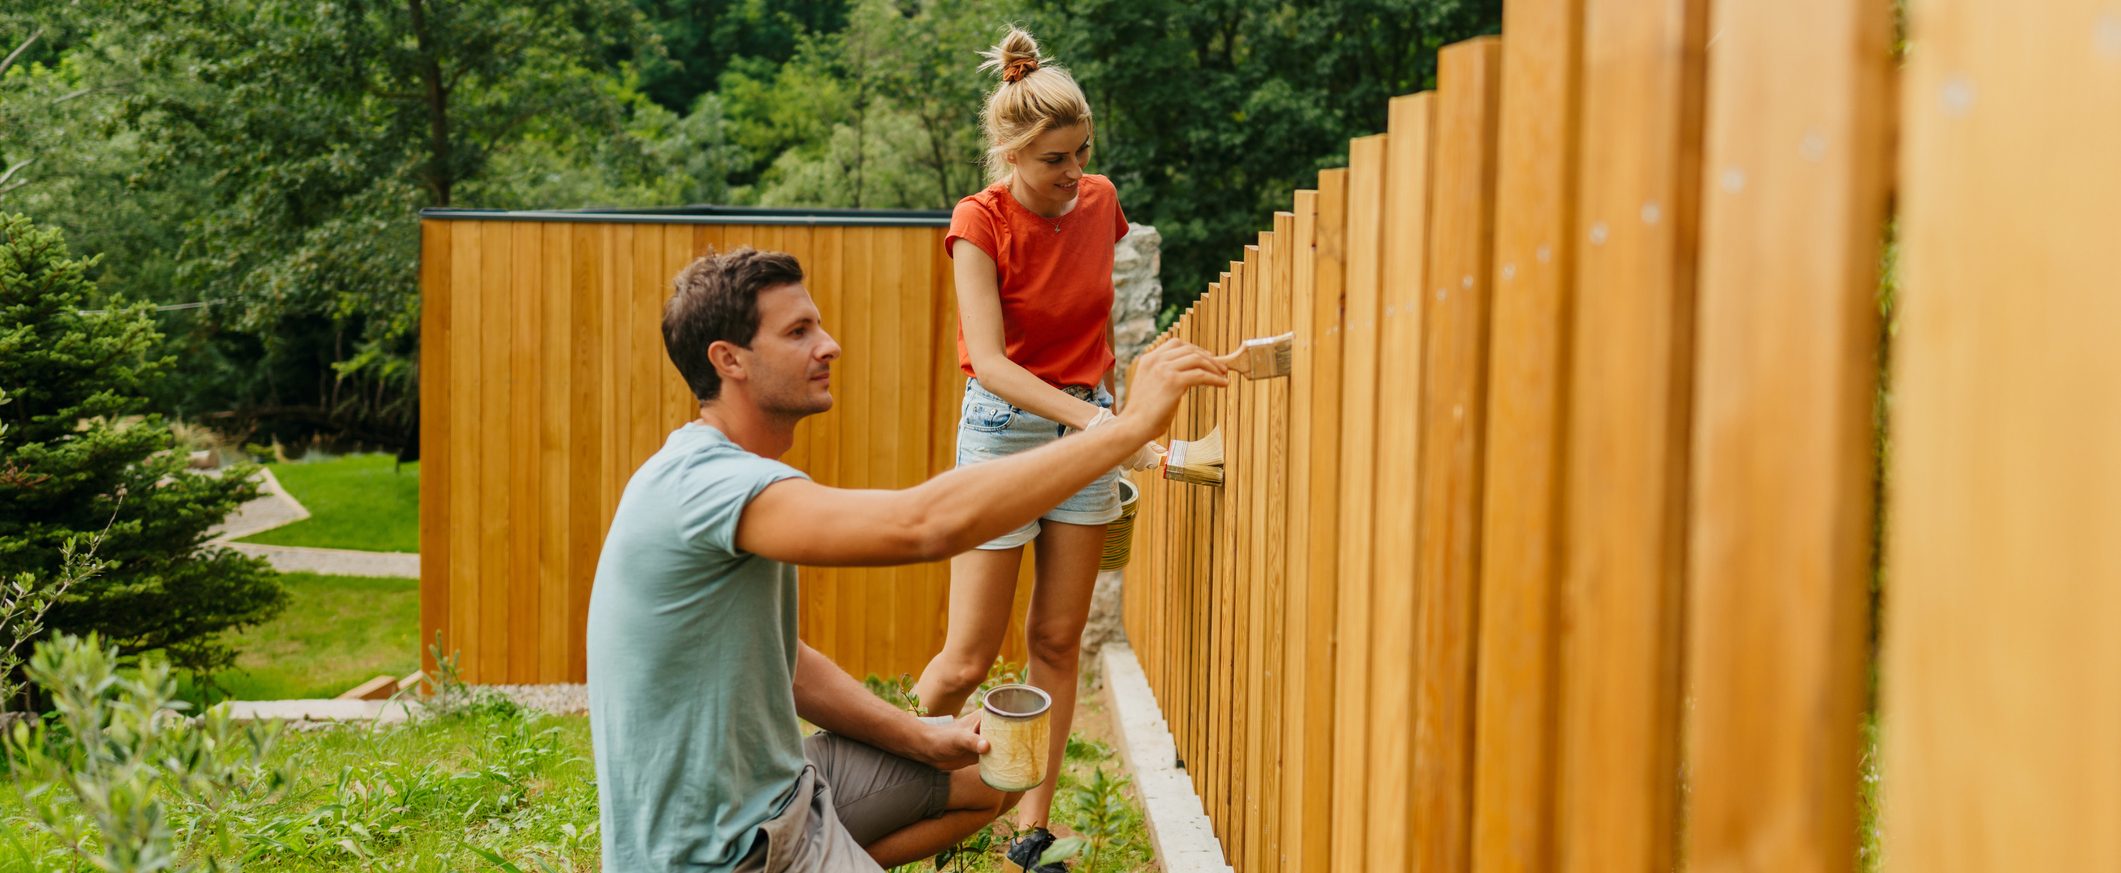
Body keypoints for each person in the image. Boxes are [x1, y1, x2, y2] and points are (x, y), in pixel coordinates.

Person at [586, 246, 1227, 872]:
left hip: (787, 789)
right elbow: (922, 526)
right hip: (720, 848)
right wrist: (1126, 426)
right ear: (729, 360)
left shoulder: (737, 474)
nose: (829, 344)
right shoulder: (706, 486)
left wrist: (919, 735)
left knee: (991, 767)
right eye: (799, 331)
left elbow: (787, 662)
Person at [907, 27, 1155, 870]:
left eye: (1081, 152)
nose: (1073, 173)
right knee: (967, 654)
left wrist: (1105, 412)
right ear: (1012, 152)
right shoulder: (978, 221)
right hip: (1006, 436)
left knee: (1055, 640)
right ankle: (905, 786)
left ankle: (1028, 833)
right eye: (1054, 159)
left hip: (1087, 425)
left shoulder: (1099, 202)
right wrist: (1103, 430)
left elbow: (1096, 321)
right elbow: (995, 362)